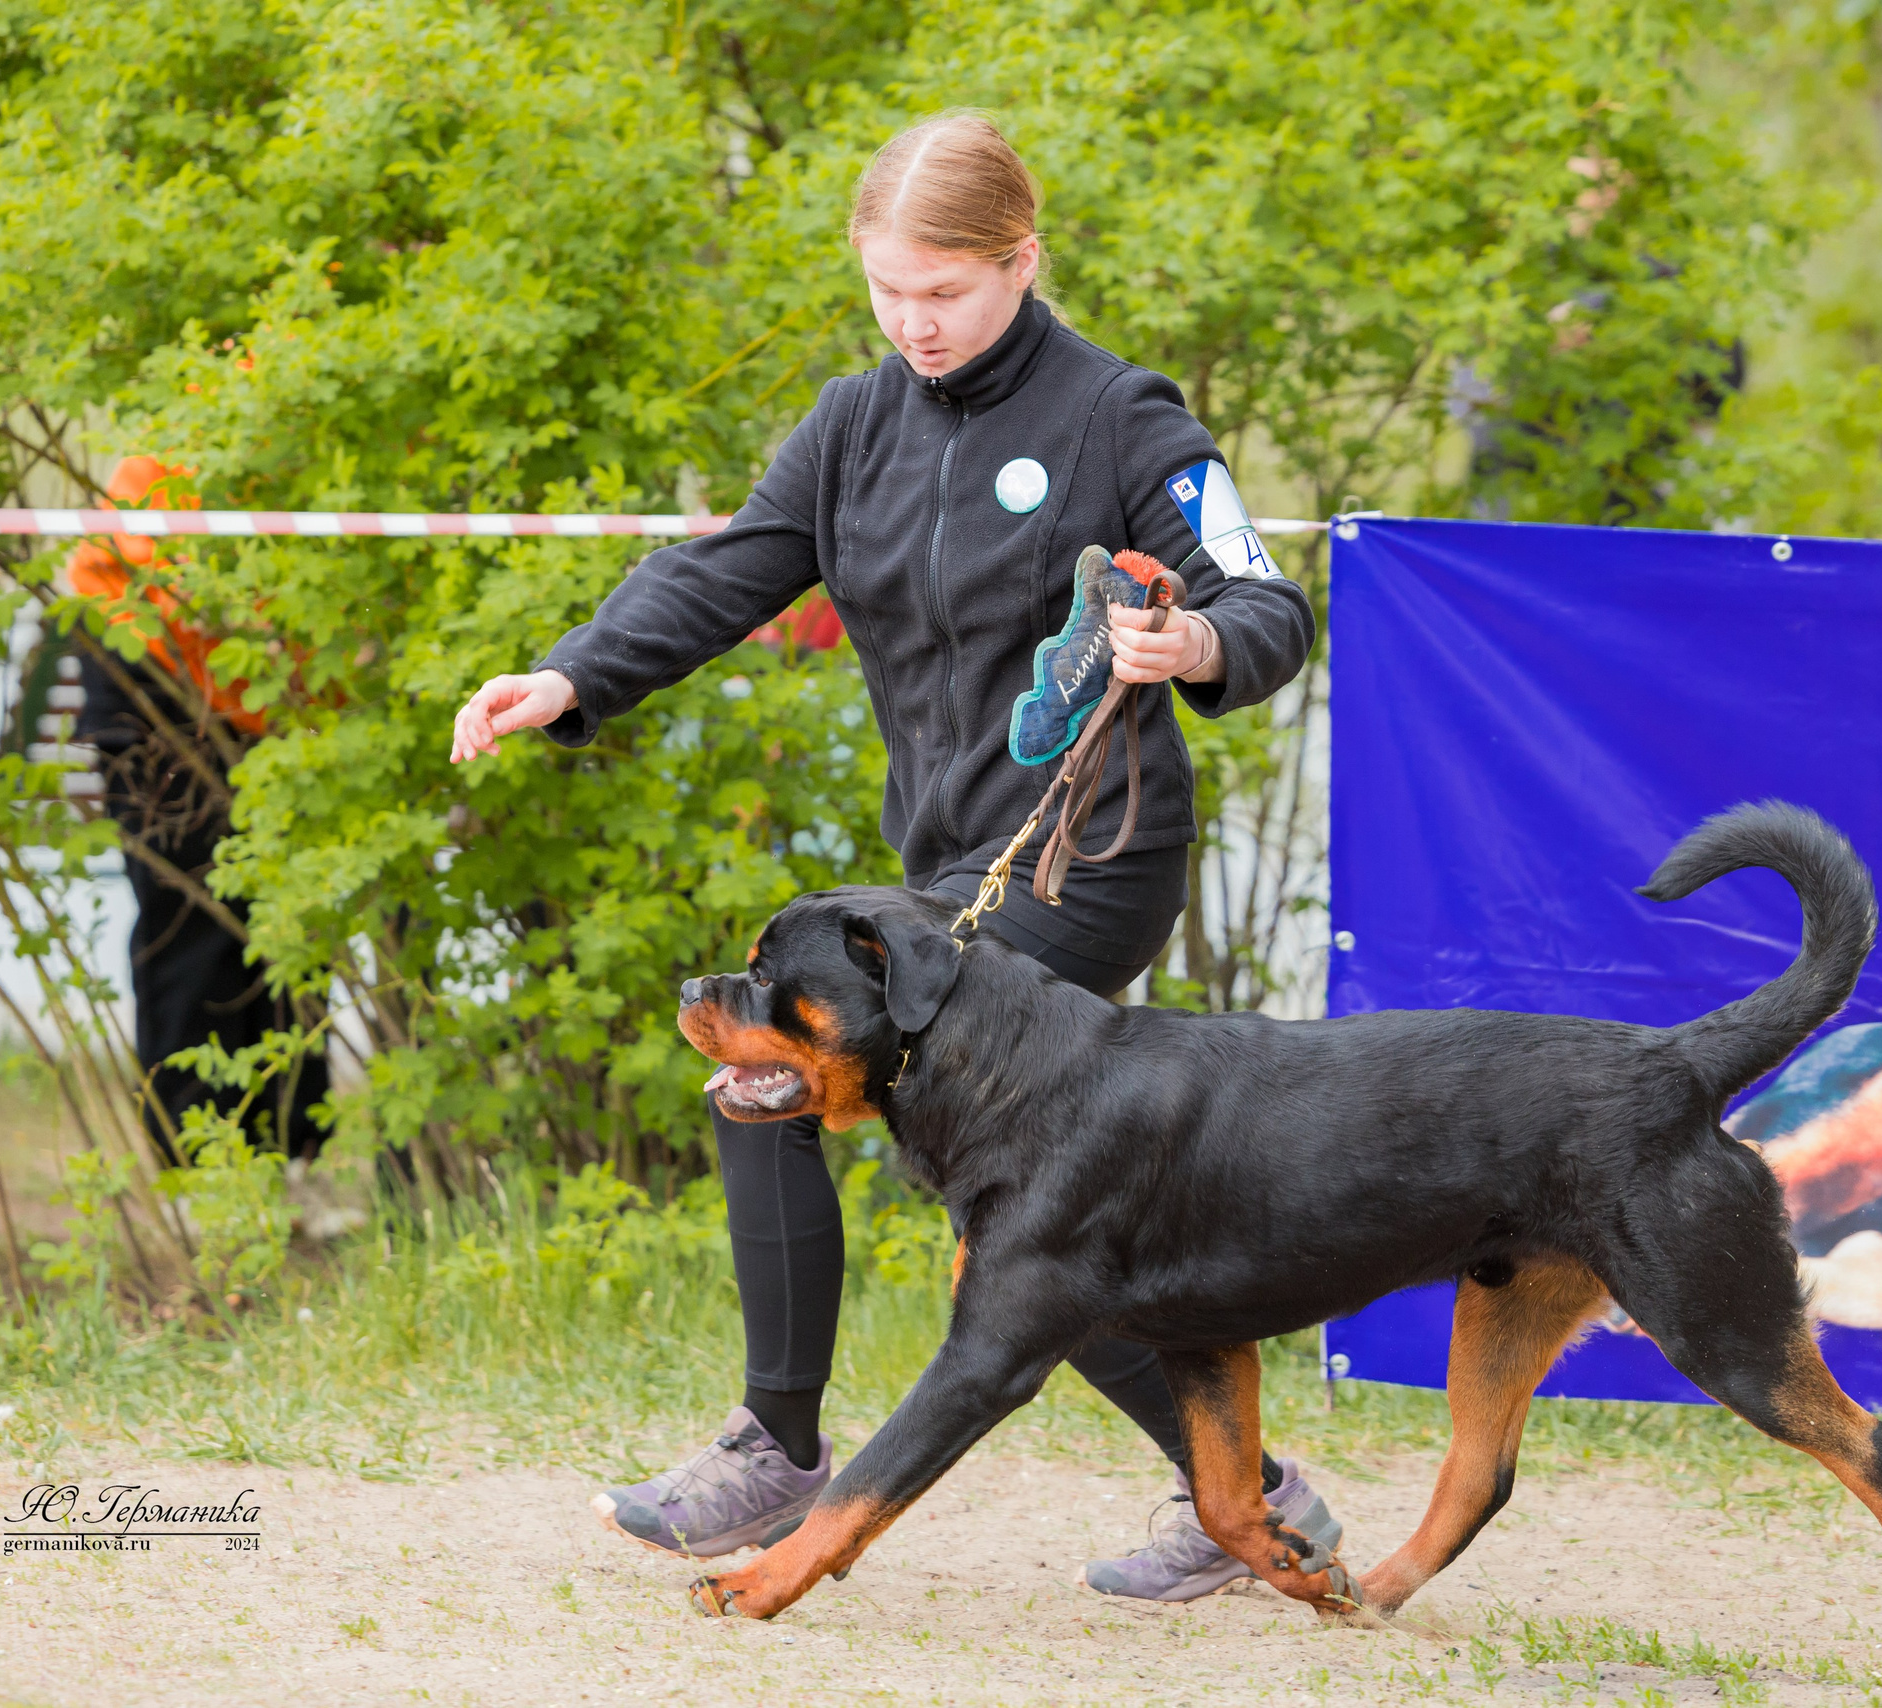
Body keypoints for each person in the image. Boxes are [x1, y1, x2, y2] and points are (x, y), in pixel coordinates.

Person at [448, 113, 1333, 1601]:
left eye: (948, 292)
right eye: (890, 293)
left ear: (1021, 260)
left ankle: (1232, 1494)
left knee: (976, 1186)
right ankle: (801, 1449)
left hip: (1086, 863)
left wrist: (1190, 641)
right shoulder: (853, 425)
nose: (917, 325)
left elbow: (1268, 601)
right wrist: (574, 675)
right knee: (807, 1094)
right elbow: (726, 570)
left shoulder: (1120, 415)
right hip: (935, 885)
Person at [71, 455, 329, 1164]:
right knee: (190, 925)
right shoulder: (225, 406)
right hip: (154, 665)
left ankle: (286, 1151)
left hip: (261, 692)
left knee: (290, 931)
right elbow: (160, 566)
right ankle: (198, 1168)